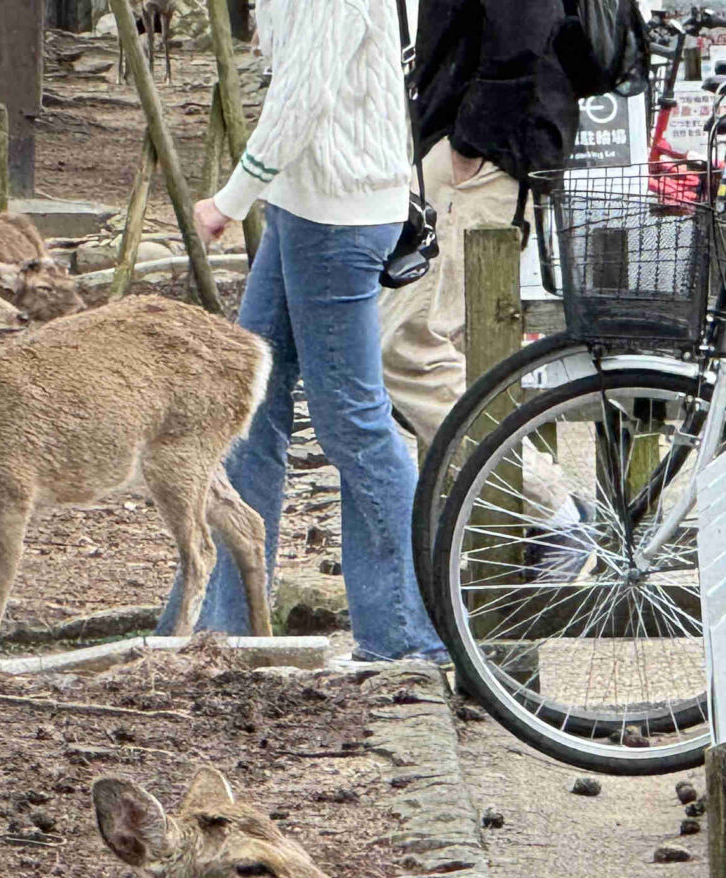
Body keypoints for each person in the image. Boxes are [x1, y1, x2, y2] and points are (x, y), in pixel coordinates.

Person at [173, 0, 446, 662]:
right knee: (251, 410)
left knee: (353, 422)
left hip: (341, 214)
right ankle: (226, 622)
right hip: (303, 206)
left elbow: (304, 96)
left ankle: (410, 638)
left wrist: (230, 200)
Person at [387, 0, 590, 575]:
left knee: (405, 346)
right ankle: (483, 540)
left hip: (485, 153)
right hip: (485, 148)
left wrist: (469, 144)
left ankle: (553, 509)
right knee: (452, 350)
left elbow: (523, 29)